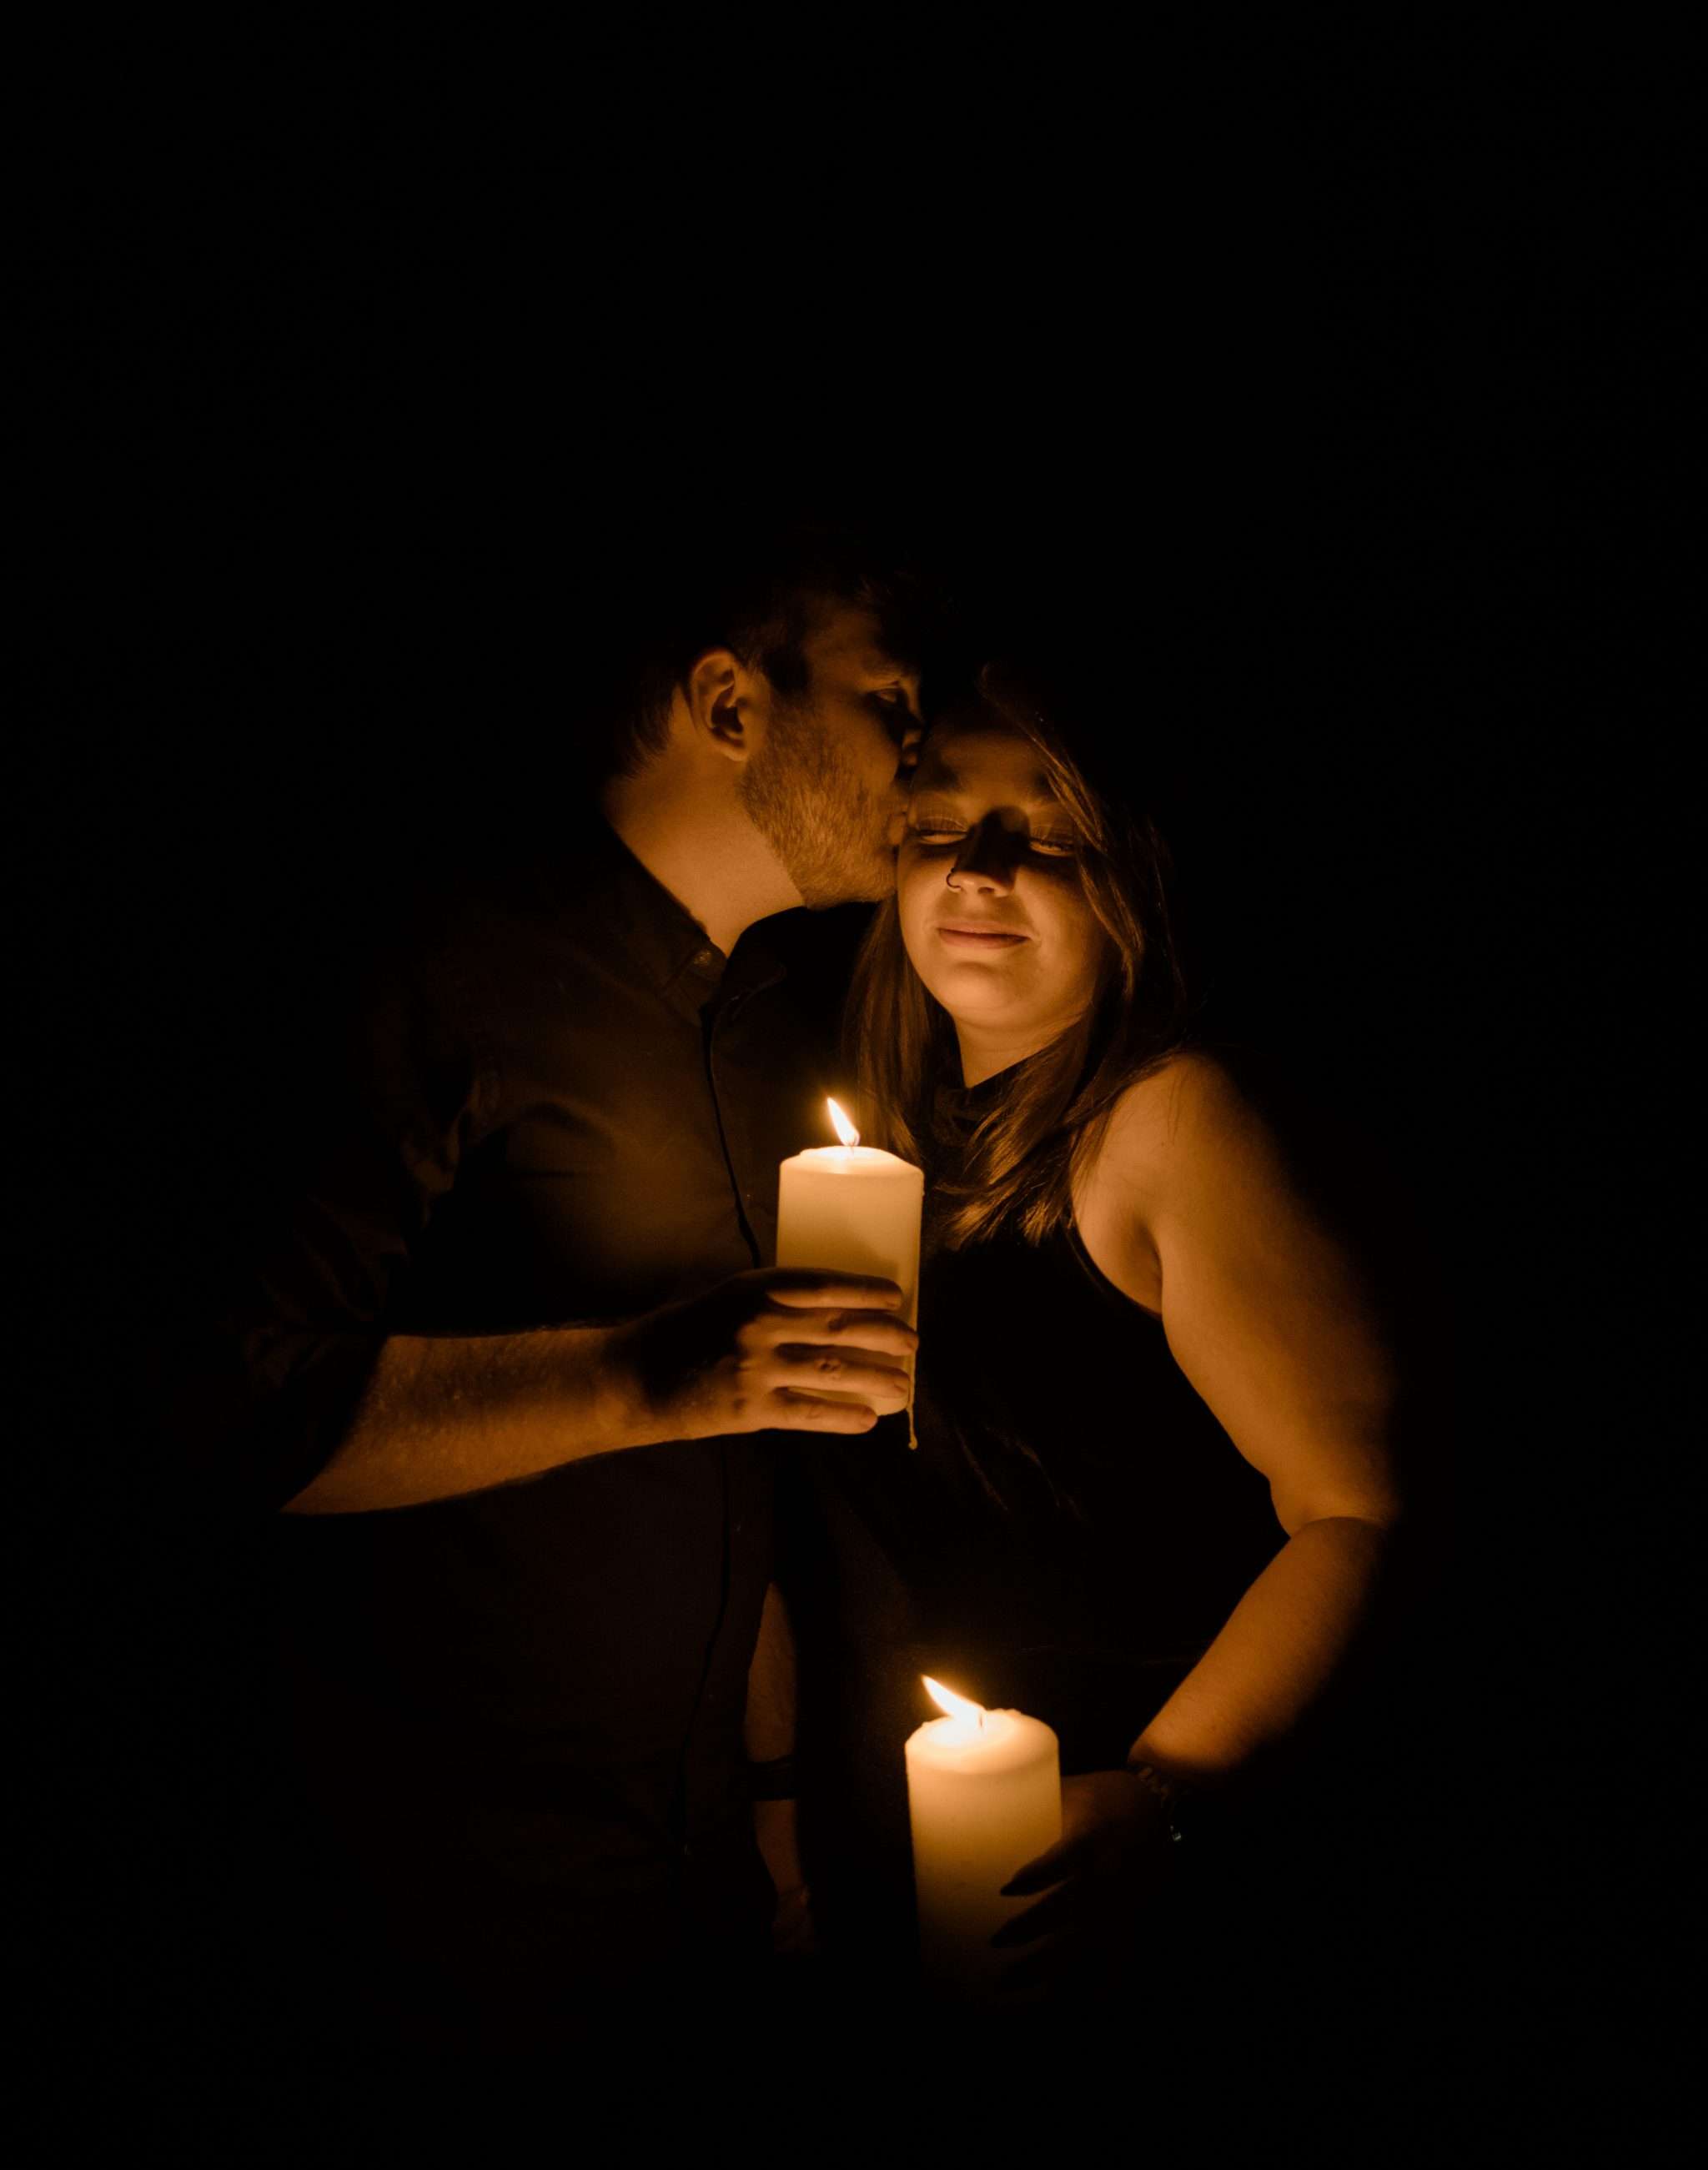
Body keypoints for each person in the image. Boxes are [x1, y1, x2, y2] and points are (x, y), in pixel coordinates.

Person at [157, 520, 936, 2057]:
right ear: (730, 704)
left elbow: (744, 1482)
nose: (920, 746)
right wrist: (642, 1379)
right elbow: (221, 1402)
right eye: (888, 700)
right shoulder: (442, 967)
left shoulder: (773, 1020)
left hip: (697, 1885)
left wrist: (774, 1800)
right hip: (432, 1914)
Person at [791, 656, 1417, 2006]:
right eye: (941, 825)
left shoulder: (1172, 1119)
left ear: (1134, 875)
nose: (980, 869)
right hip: (922, 1818)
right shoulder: (891, 1145)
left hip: (1128, 1846)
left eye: (1051, 832)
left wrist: (1167, 1794)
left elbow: (1357, 1510)